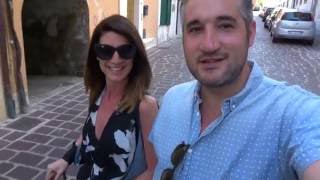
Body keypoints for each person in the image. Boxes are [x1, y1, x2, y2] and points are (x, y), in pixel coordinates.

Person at [149, 0, 320, 179]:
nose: (209, 45)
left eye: (225, 26)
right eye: (195, 29)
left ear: (251, 33)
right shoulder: (171, 99)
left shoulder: (296, 116)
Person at [46, 15, 158, 180]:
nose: (115, 59)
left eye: (125, 50)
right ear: (96, 55)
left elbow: (154, 170)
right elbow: (88, 133)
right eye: (106, 50)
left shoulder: (145, 106)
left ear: (135, 55)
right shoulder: (98, 92)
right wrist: (66, 159)